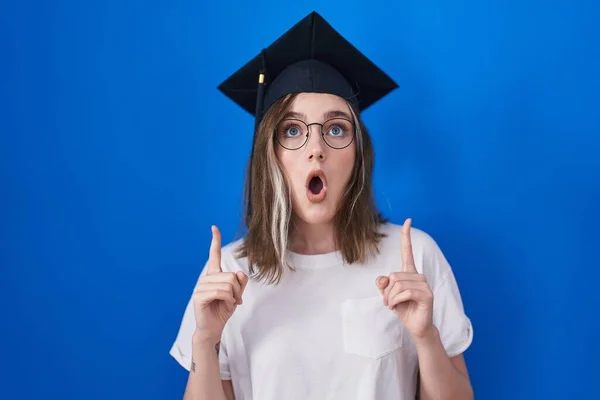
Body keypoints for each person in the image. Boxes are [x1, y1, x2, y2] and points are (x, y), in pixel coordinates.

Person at [170, 11, 474, 400]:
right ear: (271, 155)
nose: (316, 149)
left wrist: (425, 337)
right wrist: (205, 342)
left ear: (358, 155)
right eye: (293, 130)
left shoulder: (414, 258)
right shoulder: (230, 273)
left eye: (336, 129)